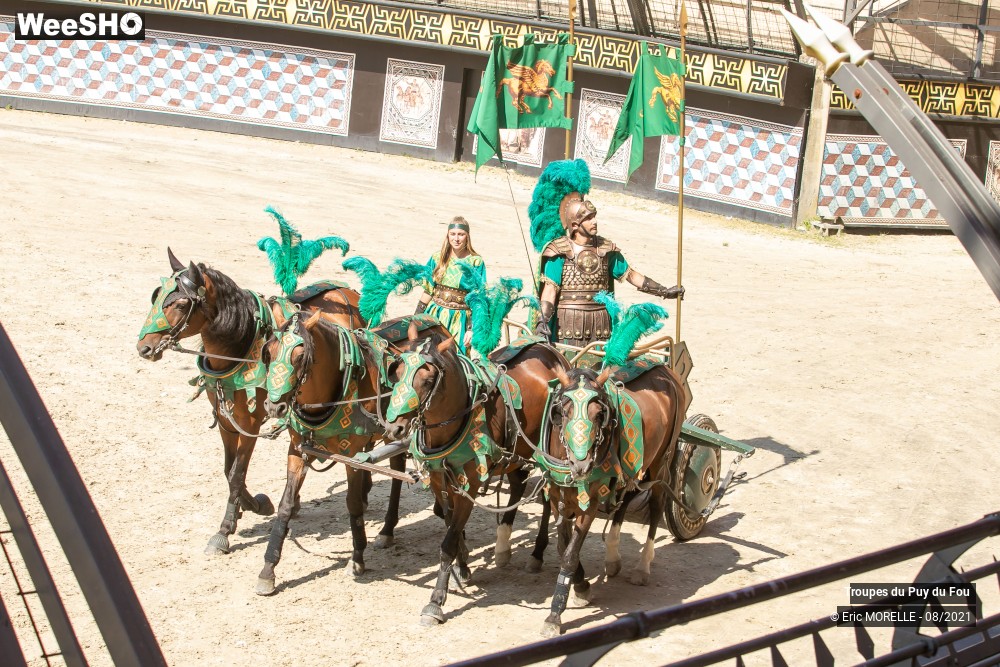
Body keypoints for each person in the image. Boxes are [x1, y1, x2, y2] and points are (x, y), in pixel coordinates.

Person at [529, 160, 684, 346]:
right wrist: (542, 322)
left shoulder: (605, 249)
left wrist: (664, 291)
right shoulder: (558, 251)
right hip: (568, 326)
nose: (594, 221)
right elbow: (550, 290)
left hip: (601, 327)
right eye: (588, 218)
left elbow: (632, 275)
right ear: (575, 225)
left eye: (594, 216)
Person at [414, 217, 486, 354]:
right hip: (435, 315)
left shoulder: (476, 261)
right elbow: (428, 290)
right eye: (453, 234)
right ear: (448, 235)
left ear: (467, 236)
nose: (456, 238)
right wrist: (415, 318)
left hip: (461, 319)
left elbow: (478, 299)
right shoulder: (437, 258)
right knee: (424, 354)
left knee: (456, 357)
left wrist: (471, 329)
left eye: (461, 234)